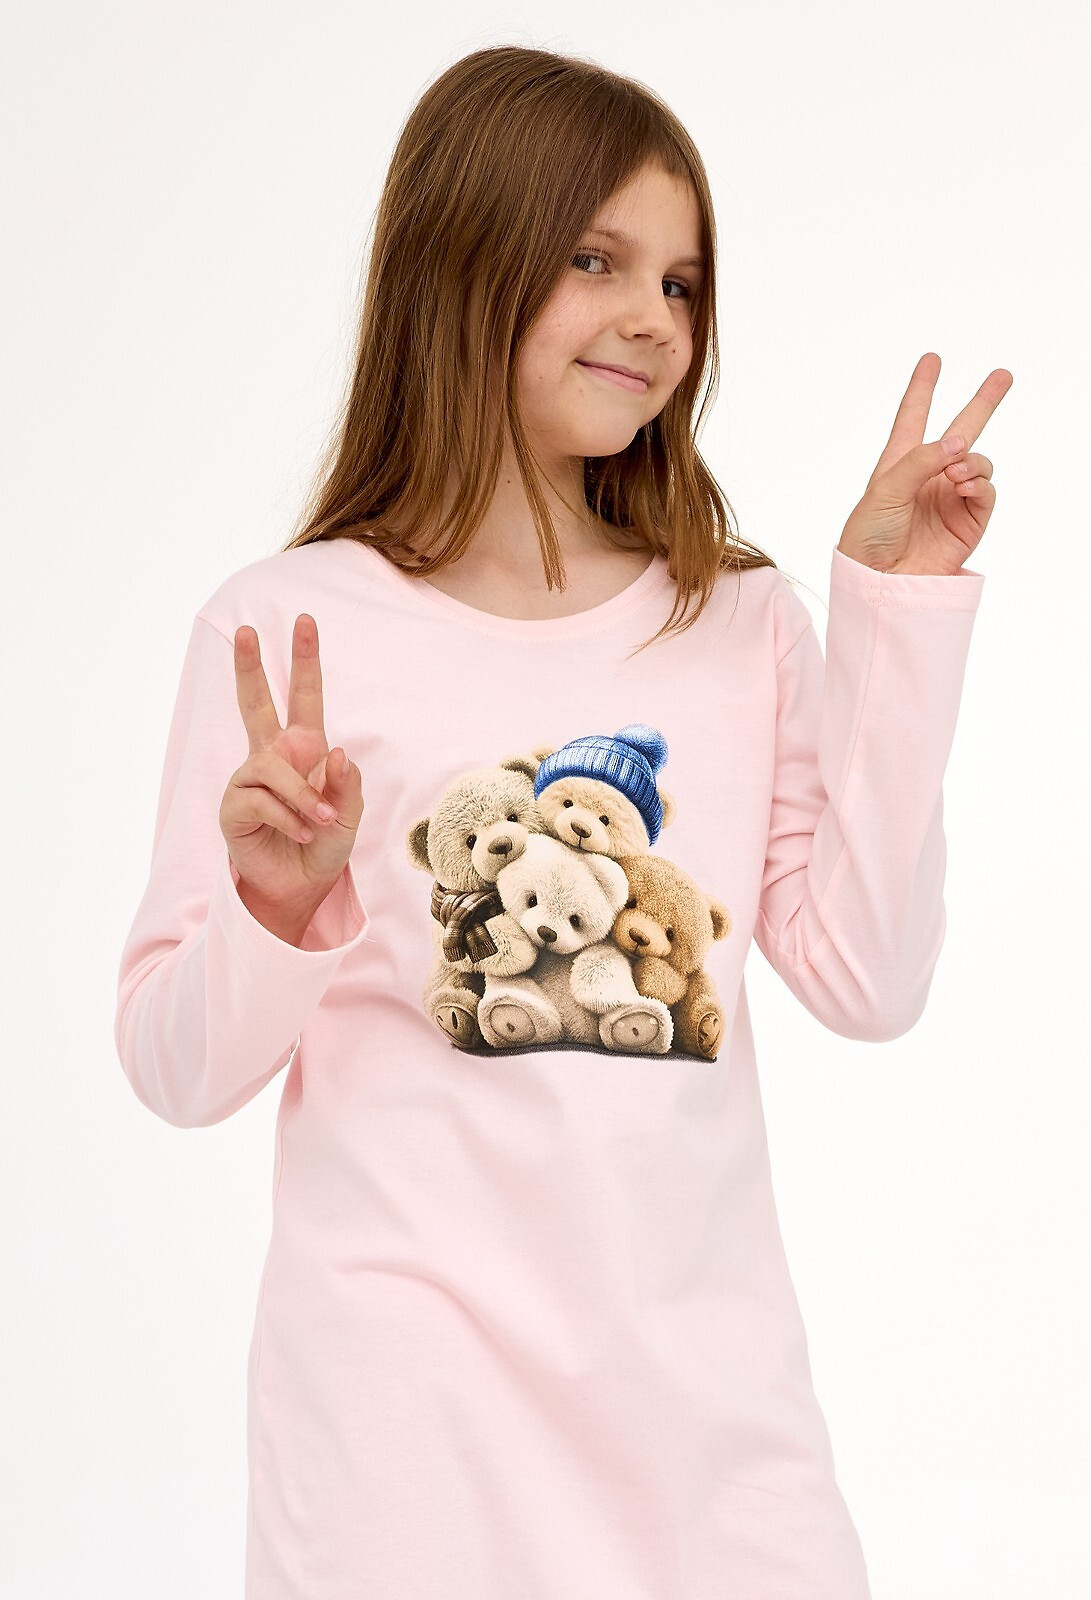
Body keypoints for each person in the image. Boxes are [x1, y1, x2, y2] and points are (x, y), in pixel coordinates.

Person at [114, 43, 1012, 1600]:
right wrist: (276, 907)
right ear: (463, 259)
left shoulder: (738, 624)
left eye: (682, 281)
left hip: (709, 1434)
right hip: (406, 1447)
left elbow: (869, 980)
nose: (654, 317)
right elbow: (177, 1068)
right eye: (597, 259)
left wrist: (892, 615)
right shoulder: (289, 627)